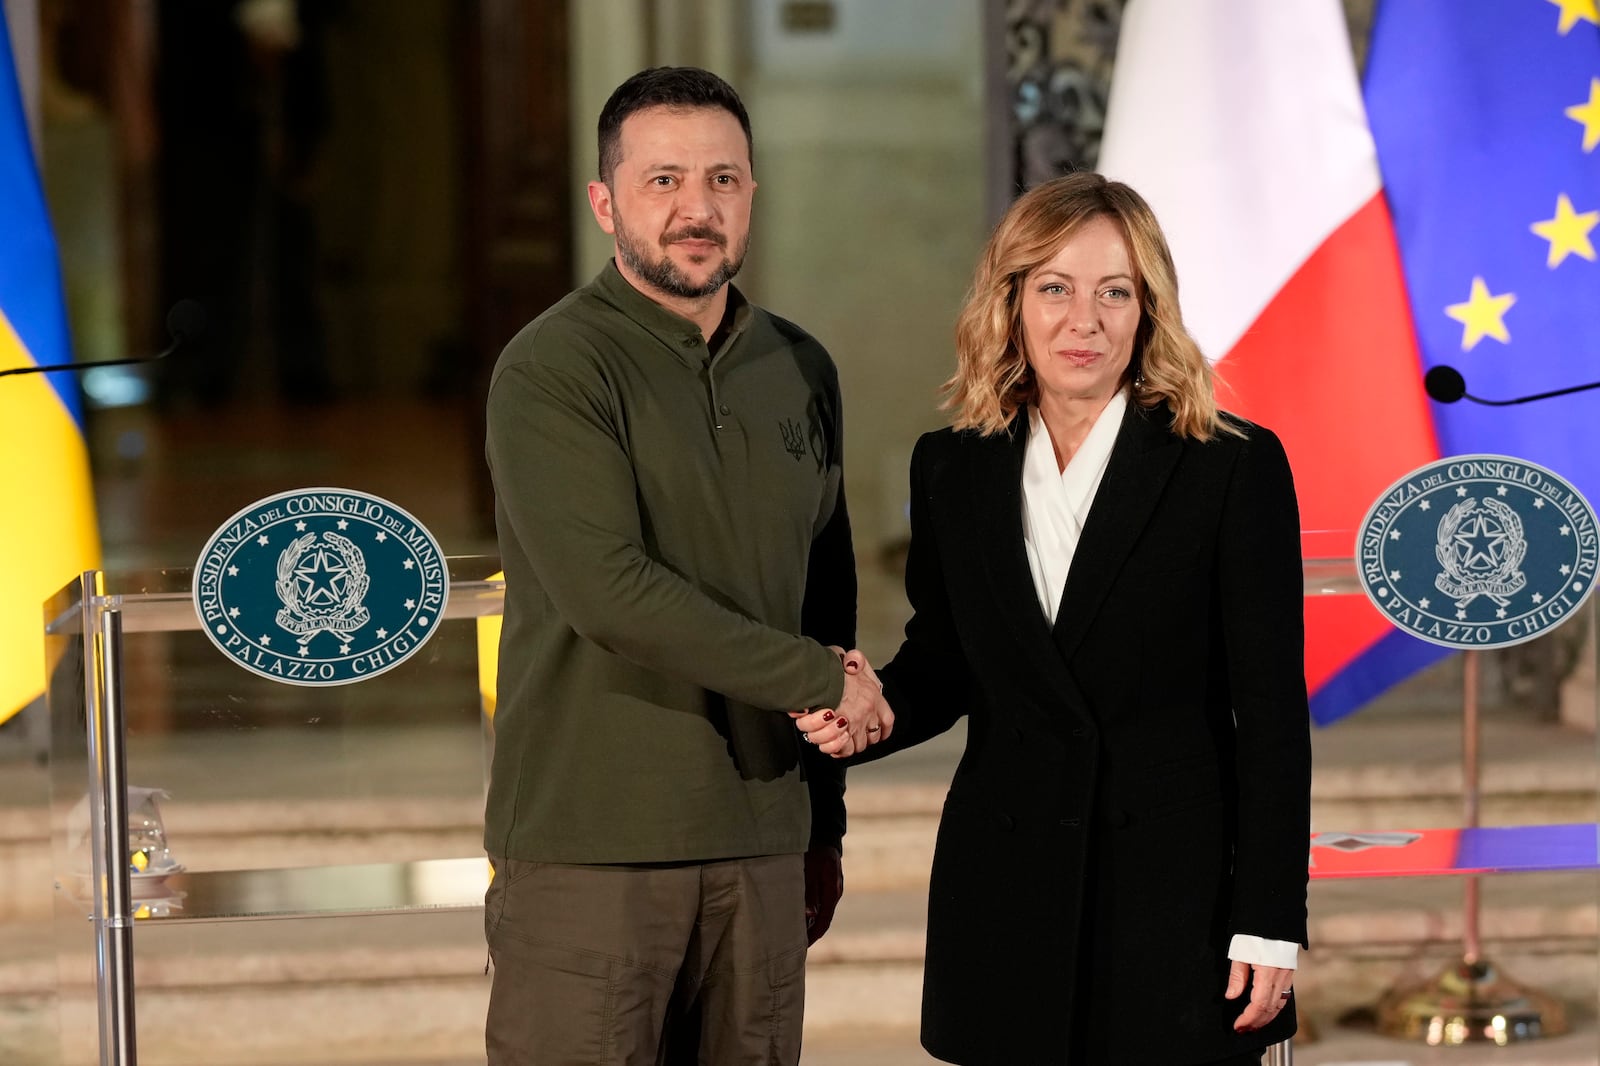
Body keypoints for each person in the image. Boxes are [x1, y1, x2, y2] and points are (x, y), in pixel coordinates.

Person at [795, 172, 1311, 1065]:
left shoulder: (1232, 466)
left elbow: (1271, 718)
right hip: (1005, 886)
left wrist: (1269, 919)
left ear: (1149, 309)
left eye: (1116, 291)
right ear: (1012, 303)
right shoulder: (952, 469)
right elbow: (948, 660)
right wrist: (873, 711)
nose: (1086, 321)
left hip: (1176, 897)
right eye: (1055, 289)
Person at [481, 66, 891, 1065]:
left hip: (760, 843)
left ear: (752, 194)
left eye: (723, 179)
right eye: (663, 180)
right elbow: (608, 591)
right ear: (605, 201)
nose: (696, 208)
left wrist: (819, 820)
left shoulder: (800, 366)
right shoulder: (552, 368)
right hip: (595, 848)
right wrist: (815, 681)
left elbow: (819, 596)